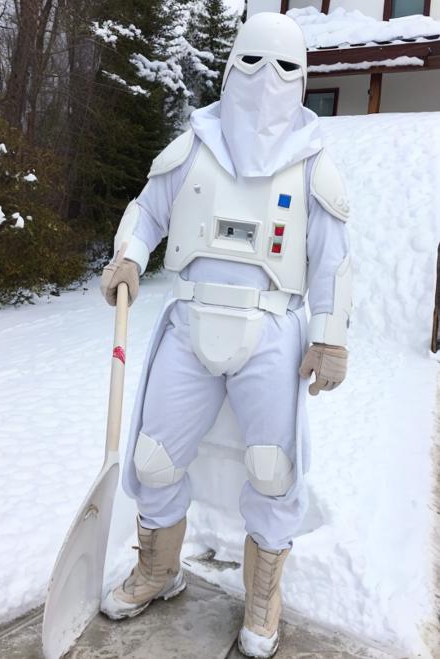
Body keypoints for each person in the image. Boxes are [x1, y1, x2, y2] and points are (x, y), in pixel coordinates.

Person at [100, 12, 351, 659]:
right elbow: (149, 209)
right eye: (252, 62)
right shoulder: (195, 143)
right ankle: (159, 568)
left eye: (285, 67)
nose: (267, 80)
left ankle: (263, 593)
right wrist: (129, 253)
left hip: (271, 329)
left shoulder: (312, 162)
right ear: (229, 62)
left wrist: (330, 337)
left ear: (303, 77)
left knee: (273, 471)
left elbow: (332, 258)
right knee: (154, 456)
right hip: (189, 322)